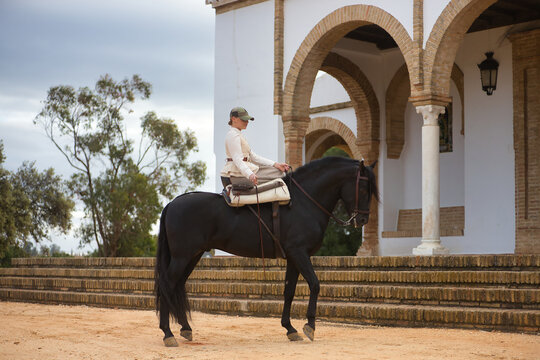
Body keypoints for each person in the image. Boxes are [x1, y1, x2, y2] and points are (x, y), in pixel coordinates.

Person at [220, 107, 289, 189]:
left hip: (243, 170)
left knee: (278, 171)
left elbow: (254, 157)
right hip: (235, 173)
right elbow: (237, 159)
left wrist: (276, 164)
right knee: (280, 174)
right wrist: (250, 174)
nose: (247, 122)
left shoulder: (238, 135)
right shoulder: (233, 135)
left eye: (247, 120)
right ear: (233, 119)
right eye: (244, 120)